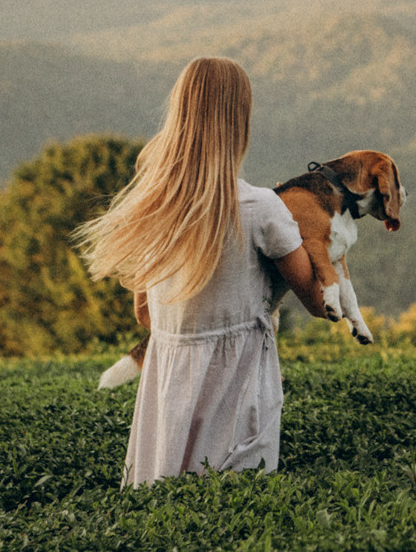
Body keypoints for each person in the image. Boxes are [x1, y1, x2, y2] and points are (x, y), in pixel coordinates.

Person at [76, 55, 329, 484]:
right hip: (237, 398)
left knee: (162, 516)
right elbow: (323, 304)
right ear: (240, 121)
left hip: (167, 398)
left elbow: (147, 317)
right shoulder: (260, 209)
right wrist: (329, 243)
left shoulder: (153, 209)